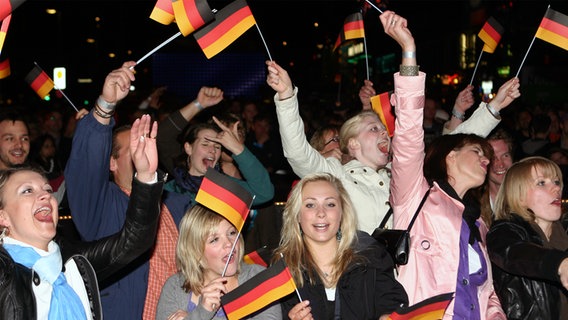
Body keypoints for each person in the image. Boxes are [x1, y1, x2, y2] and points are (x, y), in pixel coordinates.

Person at [384, 9, 520, 318]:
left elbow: (488, 293)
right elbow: (407, 134)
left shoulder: (478, 223)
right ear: (450, 156)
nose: (487, 159)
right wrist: (408, 51)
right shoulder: (414, 196)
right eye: (477, 150)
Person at [0, 114, 164, 319]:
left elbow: (133, 242)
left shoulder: (72, 262)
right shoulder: (4, 274)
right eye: (27, 191)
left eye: (47, 189)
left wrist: (146, 176)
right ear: (3, 217)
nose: (44, 195)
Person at [65, 61, 179, 320]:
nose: (143, 152)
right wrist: (105, 106)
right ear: (112, 162)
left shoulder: (172, 203)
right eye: (135, 147)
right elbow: (86, 164)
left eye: (146, 143)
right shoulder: (101, 206)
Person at [273, 172, 407, 319]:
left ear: (342, 212)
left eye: (330, 204)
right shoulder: (283, 269)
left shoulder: (369, 255)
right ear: (298, 214)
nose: (321, 213)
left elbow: (393, 303)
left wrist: (388, 316)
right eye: (310, 205)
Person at [156, 204, 282, 320]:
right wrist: (202, 311)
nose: (229, 243)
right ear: (195, 251)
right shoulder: (175, 286)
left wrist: (194, 317)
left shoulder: (258, 277)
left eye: (232, 233)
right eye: (214, 239)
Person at [487, 156, 568, 319]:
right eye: (541, 183)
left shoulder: (564, 231)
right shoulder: (504, 232)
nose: (556, 189)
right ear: (519, 195)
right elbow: (514, 253)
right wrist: (559, 264)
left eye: (556, 182)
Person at [478, 128, 515, 226]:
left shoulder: (526, 197)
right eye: (493, 158)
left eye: (505, 156)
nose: (500, 164)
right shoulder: (475, 203)